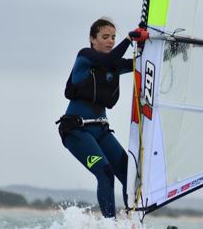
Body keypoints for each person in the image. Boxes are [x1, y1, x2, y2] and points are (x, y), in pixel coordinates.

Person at [56, 18, 147, 218]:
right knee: (105, 173)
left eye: (113, 37)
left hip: (101, 131)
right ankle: (110, 224)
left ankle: (132, 223)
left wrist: (171, 51)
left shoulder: (114, 64)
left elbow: (141, 62)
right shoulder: (85, 56)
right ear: (92, 39)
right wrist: (128, 39)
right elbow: (107, 60)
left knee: (130, 175)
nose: (110, 41)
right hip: (76, 131)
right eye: (105, 37)